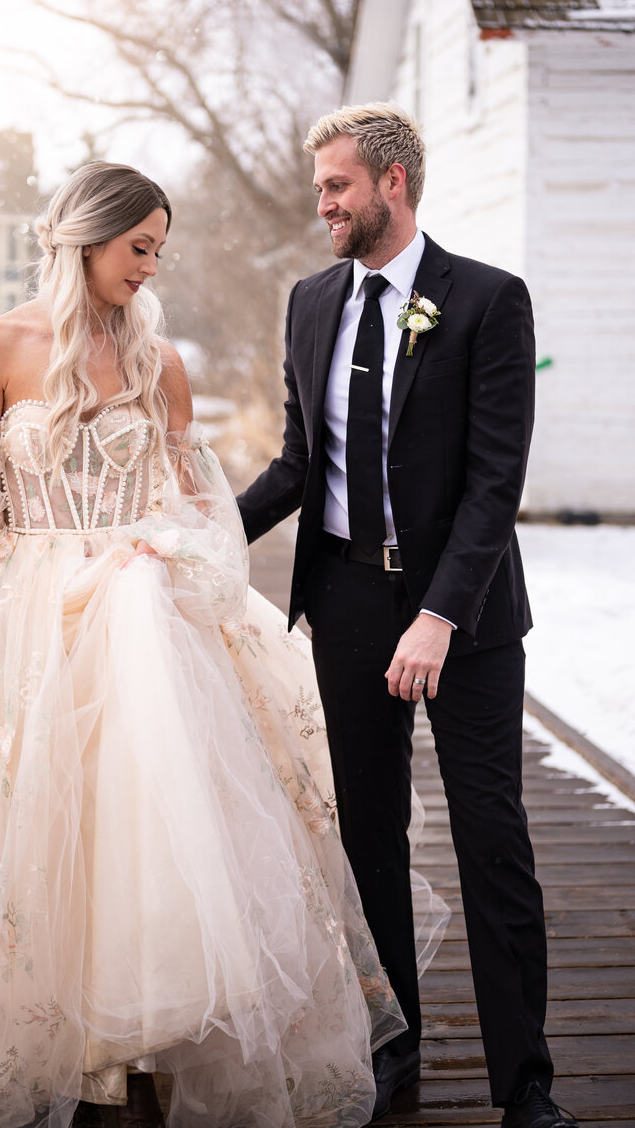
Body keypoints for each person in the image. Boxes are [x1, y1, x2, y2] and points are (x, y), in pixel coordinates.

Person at [0, 160, 438, 1128]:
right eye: (139, 249)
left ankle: (145, 1030)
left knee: (159, 823)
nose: (150, 269)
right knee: (42, 828)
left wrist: (165, 559)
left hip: (146, 619)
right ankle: (67, 1036)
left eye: (160, 253)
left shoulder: (156, 361)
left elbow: (197, 507)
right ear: (86, 238)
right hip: (36, 627)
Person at [237, 104, 578, 1128]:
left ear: (392, 183)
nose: (321, 203)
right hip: (339, 598)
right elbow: (299, 463)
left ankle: (525, 1083)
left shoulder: (485, 301)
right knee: (367, 835)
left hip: (461, 617)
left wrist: (435, 614)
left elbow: (491, 483)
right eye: (319, 187)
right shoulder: (307, 302)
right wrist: (200, 529)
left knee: (490, 835)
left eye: (337, 185)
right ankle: (394, 1048)